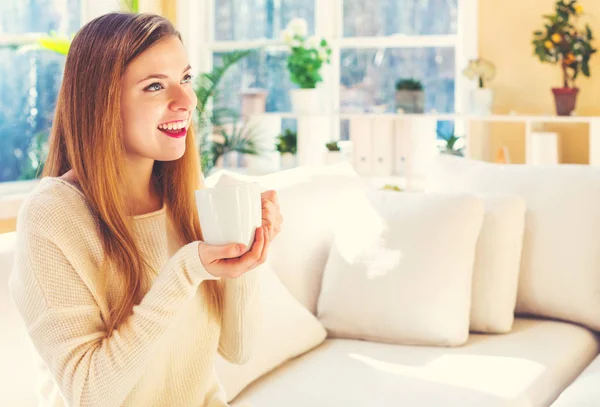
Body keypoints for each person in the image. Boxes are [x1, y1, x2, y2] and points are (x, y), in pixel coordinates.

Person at [9, 12, 282, 407]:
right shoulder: (53, 215)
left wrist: (246, 253)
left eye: (186, 79)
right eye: (155, 86)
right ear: (100, 101)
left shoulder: (186, 197)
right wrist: (187, 269)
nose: (188, 101)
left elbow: (237, 350)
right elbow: (88, 394)